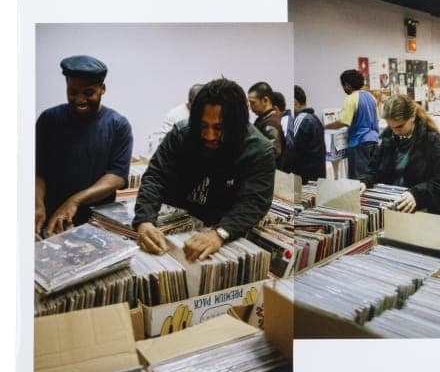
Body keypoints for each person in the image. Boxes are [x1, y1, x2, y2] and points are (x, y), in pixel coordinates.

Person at [133, 78, 275, 261]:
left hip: (223, 230)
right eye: (203, 125)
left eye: (219, 128)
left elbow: (254, 202)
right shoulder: (181, 133)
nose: (209, 135)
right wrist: (144, 220)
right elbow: (156, 175)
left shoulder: (260, 151)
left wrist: (220, 233)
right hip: (173, 225)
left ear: (237, 125)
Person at [35, 55, 134, 235]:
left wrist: (74, 201)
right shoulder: (48, 120)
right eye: (73, 93)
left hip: (96, 222)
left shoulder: (118, 125)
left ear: (102, 88)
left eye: (88, 93)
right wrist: (37, 204)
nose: (80, 100)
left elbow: (117, 176)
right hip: (50, 217)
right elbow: (38, 171)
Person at [359, 94, 440, 216]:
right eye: (391, 126)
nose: (395, 131)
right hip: (393, 212)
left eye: (400, 126)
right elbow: (374, 169)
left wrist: (417, 195)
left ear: (412, 117)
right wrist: (365, 181)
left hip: (424, 216)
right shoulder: (388, 138)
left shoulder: (431, 141)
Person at [324, 69, 380, 180]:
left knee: (358, 178)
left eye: (343, 86)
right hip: (374, 140)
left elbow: (344, 121)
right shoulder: (371, 97)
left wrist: (325, 126)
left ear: (348, 85)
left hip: (359, 142)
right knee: (371, 176)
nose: (344, 89)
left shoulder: (351, 99)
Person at [287, 85, 327, 182]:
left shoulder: (301, 119)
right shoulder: (314, 118)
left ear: (294, 102)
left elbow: (291, 148)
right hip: (316, 176)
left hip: (304, 178)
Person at [247, 81, 284, 164]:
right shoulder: (263, 119)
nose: (250, 107)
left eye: (253, 103)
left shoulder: (271, 123)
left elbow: (272, 153)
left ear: (265, 100)